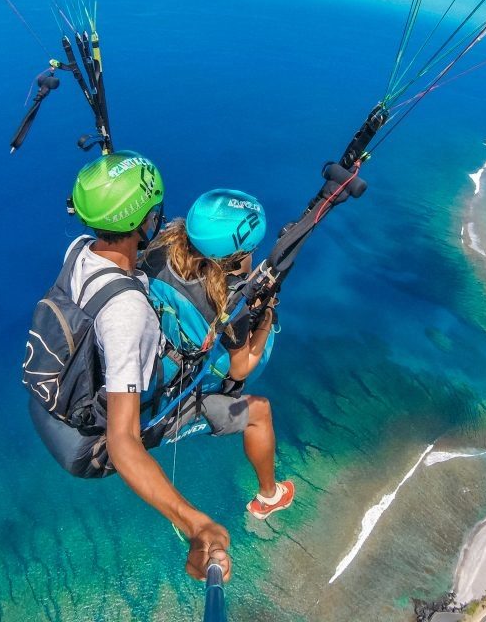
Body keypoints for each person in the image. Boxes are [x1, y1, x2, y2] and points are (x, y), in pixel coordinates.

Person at [26, 151, 231, 581]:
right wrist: (195, 522)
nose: (158, 218)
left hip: (47, 405)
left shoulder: (80, 250)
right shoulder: (128, 313)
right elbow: (122, 441)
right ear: (143, 223)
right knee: (228, 394)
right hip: (89, 449)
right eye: (153, 213)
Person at [141, 189, 294, 520]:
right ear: (236, 257)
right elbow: (241, 369)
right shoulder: (226, 303)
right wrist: (266, 317)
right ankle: (269, 497)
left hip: (162, 349)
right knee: (260, 412)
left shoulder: (157, 251)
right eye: (250, 251)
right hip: (171, 395)